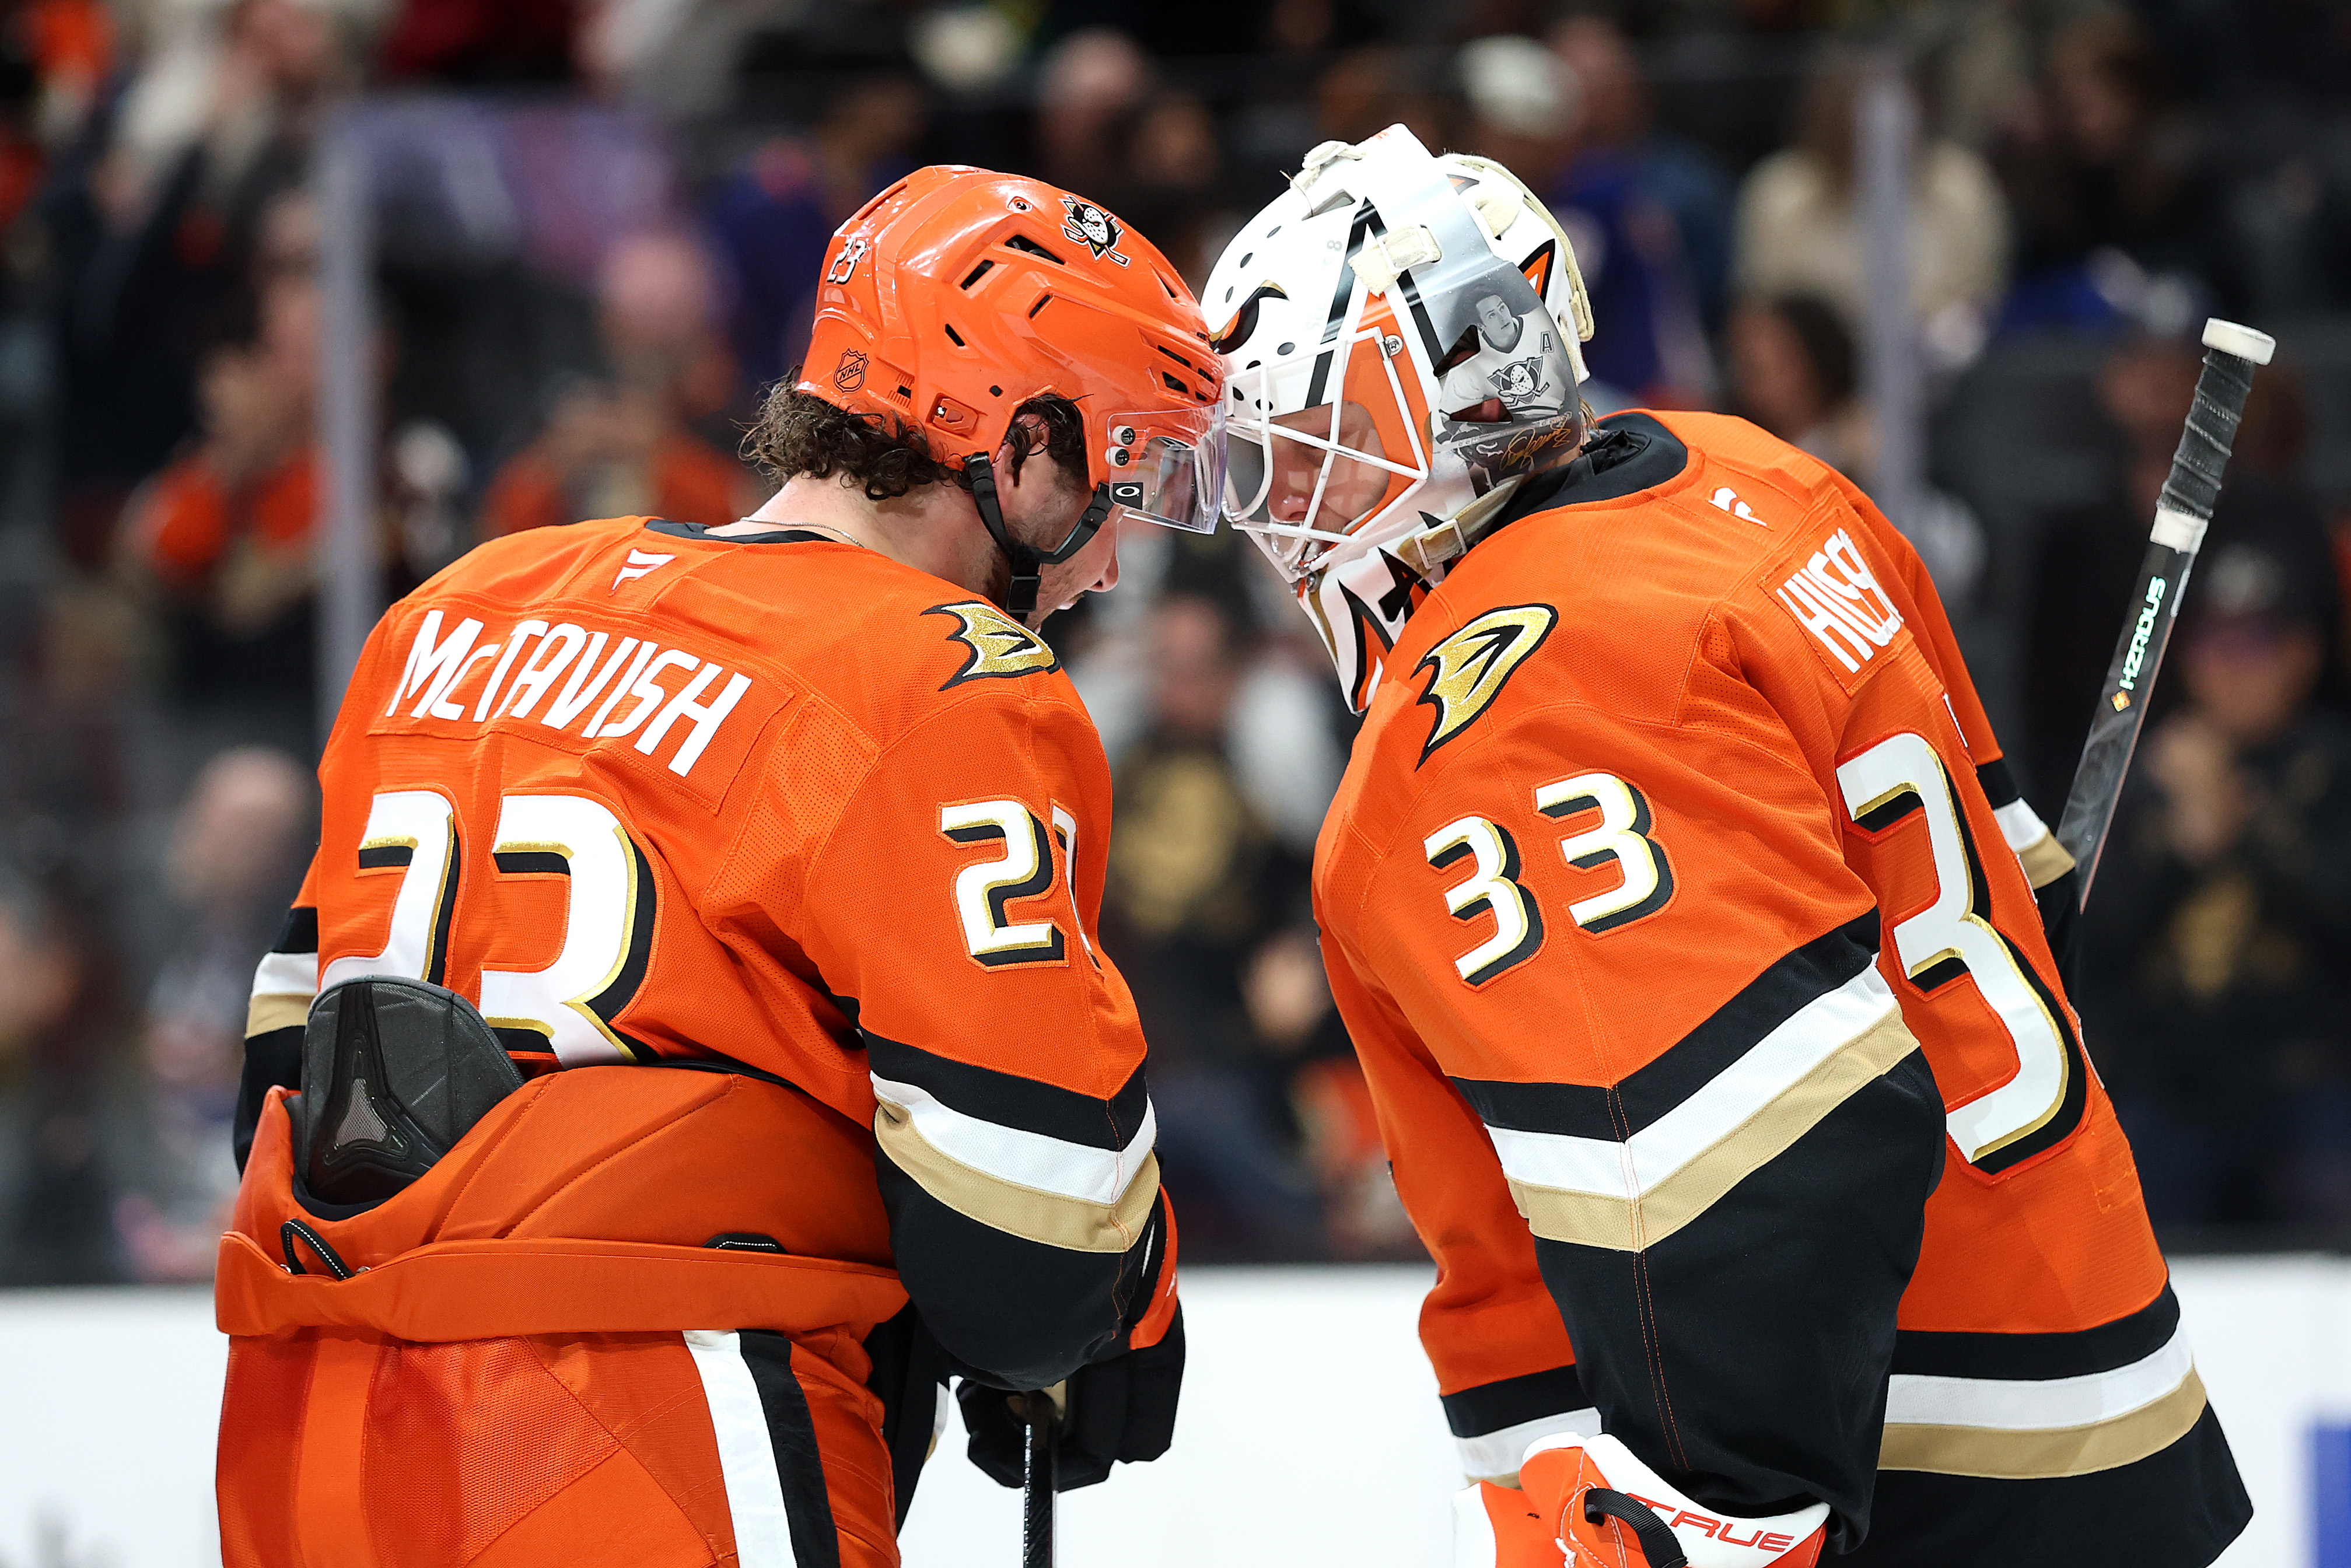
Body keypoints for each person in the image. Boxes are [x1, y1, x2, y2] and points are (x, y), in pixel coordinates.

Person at [1204, 124, 2248, 1566]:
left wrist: (1725, 1521)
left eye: (1324, 451)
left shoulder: (1504, 702)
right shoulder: (1752, 480)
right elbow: (2008, 882)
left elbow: (1756, 1164)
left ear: (1460, 391)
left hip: (1894, 1455)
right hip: (2076, 1342)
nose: (1288, 519)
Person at [217, 166, 1220, 1566]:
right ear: (1024, 443)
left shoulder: (455, 608)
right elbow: (1035, 1258)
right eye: (1130, 472)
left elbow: (278, 1082)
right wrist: (1117, 1318)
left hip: (304, 1429)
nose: (1114, 559)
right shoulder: (939, 679)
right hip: (648, 1427)